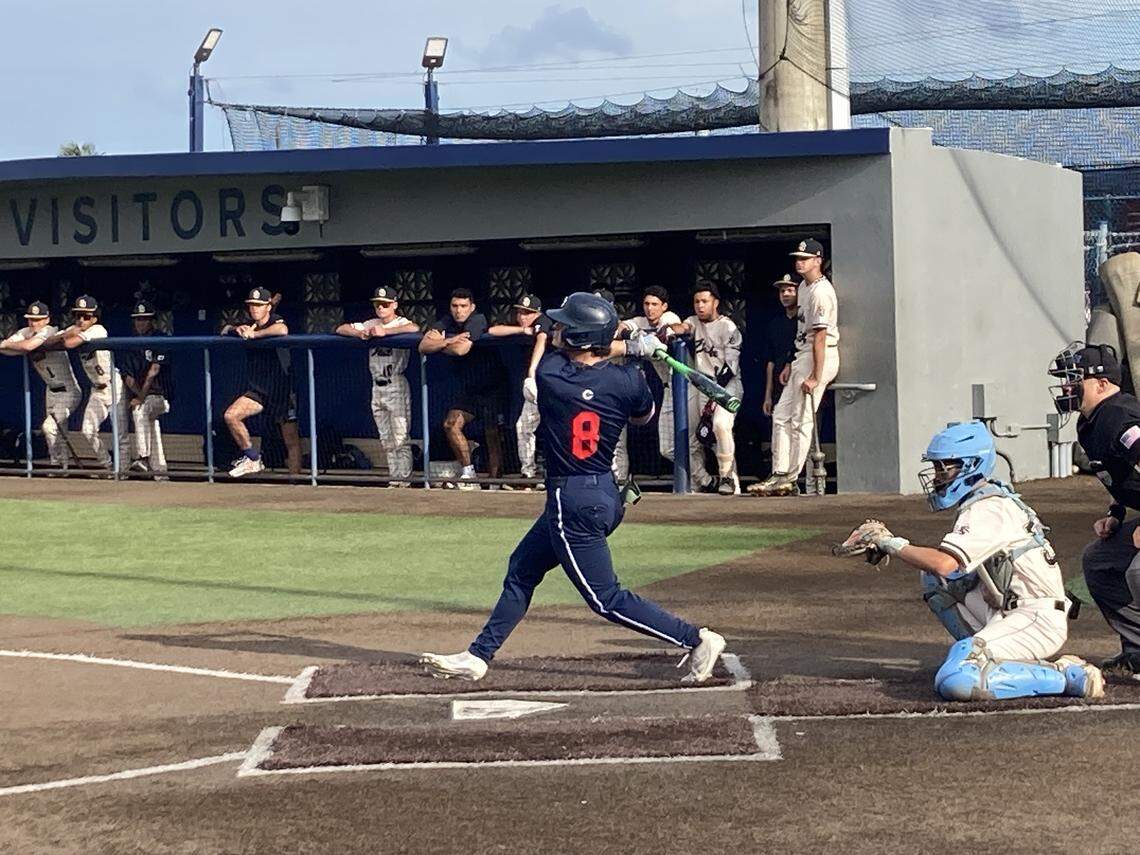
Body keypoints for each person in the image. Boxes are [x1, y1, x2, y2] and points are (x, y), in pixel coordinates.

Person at [420, 292, 726, 683]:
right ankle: (479, 655)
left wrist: (626, 346)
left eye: (567, 325)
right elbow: (643, 415)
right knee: (523, 568)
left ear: (581, 338)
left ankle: (695, 639)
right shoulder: (628, 380)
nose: (558, 329)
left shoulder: (552, 377)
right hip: (605, 492)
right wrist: (636, 351)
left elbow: (560, 349)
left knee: (605, 598)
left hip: (573, 501)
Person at [839, 421, 1103, 701]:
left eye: (946, 467)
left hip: (1035, 618)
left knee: (957, 681)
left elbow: (944, 562)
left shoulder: (989, 508)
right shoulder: (985, 500)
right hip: (1007, 610)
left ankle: (1068, 676)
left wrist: (891, 543)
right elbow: (945, 573)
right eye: (938, 467)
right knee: (936, 581)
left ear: (972, 465)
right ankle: (979, 655)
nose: (939, 476)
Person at [1048, 342, 1140, 679]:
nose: (1066, 388)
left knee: (1137, 571)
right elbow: (1123, 476)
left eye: (1075, 381)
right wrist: (1116, 512)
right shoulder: (1091, 422)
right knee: (1099, 561)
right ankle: (1138, 651)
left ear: (1101, 384)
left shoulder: (1119, 415)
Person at [752, 239, 840, 497]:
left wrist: (815, 374)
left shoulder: (821, 292)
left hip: (820, 357)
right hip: (803, 356)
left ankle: (789, 476)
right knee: (781, 415)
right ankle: (780, 473)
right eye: (798, 258)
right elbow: (802, 333)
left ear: (818, 260)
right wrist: (792, 362)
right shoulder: (803, 286)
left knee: (801, 419)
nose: (800, 262)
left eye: (805, 258)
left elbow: (821, 337)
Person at [419, 288, 505, 490]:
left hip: (493, 385)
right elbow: (423, 346)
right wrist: (448, 340)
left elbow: (461, 350)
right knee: (450, 424)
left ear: (472, 307)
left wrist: (440, 343)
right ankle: (469, 474)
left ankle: (495, 483)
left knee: (491, 432)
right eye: (455, 306)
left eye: (463, 306)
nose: (459, 311)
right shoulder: (447, 322)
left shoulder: (477, 320)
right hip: (470, 388)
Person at [335, 287, 419, 487]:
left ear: (395, 305)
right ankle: (394, 479)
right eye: (378, 304)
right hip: (377, 385)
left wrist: (386, 332)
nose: (381, 307)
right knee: (386, 439)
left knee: (400, 437)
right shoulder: (371, 323)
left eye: (385, 304)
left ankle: (404, 481)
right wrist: (360, 333)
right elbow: (340, 328)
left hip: (395, 382)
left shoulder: (401, 323)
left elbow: (414, 329)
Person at [670, 285, 743, 495]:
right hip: (702, 385)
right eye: (697, 302)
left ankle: (727, 477)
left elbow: (730, 368)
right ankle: (703, 482)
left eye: (705, 301)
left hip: (727, 386)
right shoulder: (693, 321)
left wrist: (713, 396)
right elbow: (683, 327)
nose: (700, 306)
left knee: (721, 425)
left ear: (715, 303)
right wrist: (673, 328)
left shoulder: (728, 327)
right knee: (694, 437)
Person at [221, 287, 301, 479]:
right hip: (259, 390)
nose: (254, 309)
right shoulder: (249, 324)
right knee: (231, 416)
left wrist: (255, 335)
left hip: (281, 389)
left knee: (290, 440)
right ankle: (252, 458)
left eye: (259, 305)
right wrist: (236, 329)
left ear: (267, 307)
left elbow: (282, 330)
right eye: (251, 305)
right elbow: (224, 330)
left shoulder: (275, 320)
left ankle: (297, 485)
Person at [45, 295, 130, 472]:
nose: (81, 320)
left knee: (120, 435)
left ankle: (123, 472)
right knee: (87, 430)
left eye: (86, 316)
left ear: (95, 318)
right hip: (96, 390)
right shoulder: (76, 327)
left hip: (114, 386)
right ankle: (107, 465)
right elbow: (50, 341)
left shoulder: (98, 330)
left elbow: (69, 343)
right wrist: (71, 330)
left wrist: (70, 333)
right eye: (78, 315)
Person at [0, 301, 81, 472]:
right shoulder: (25, 332)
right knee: (59, 432)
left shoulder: (49, 330)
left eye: (38, 319)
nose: (33, 323)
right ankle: (61, 468)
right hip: (50, 389)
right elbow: (4, 348)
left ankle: (58, 464)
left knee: (49, 427)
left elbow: (28, 346)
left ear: (46, 319)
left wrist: (16, 346)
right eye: (30, 319)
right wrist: (14, 346)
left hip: (68, 390)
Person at [616, 285, 682, 474]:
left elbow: (667, 331)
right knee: (668, 449)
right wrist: (631, 333)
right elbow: (621, 327)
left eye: (655, 304)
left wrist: (643, 338)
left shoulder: (670, 317)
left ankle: (717, 479)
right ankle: (704, 480)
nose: (650, 308)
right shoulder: (639, 321)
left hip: (688, 387)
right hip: (669, 388)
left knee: (703, 438)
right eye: (647, 304)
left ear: (664, 306)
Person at [488, 294, 551, 489]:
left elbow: (541, 340)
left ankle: (554, 473)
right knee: (523, 427)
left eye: (528, 313)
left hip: (551, 384)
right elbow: (492, 330)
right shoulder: (524, 325)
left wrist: (532, 369)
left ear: (537, 313)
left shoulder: (544, 320)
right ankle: (528, 473)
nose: (523, 316)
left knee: (554, 429)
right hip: (534, 387)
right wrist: (523, 329)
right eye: (521, 312)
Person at [119, 300, 172, 479]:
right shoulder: (130, 344)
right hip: (143, 396)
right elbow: (128, 378)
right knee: (151, 425)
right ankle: (160, 472)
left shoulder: (160, 338)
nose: (141, 322)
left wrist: (140, 397)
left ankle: (143, 457)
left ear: (152, 320)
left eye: (145, 319)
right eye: (138, 319)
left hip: (161, 397)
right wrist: (138, 395)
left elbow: (154, 371)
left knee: (140, 410)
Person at [761, 275, 799, 420]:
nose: (785, 295)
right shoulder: (775, 325)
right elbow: (770, 362)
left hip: (800, 381)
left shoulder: (805, 322)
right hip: (779, 387)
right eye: (782, 291)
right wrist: (768, 396)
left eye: (790, 290)